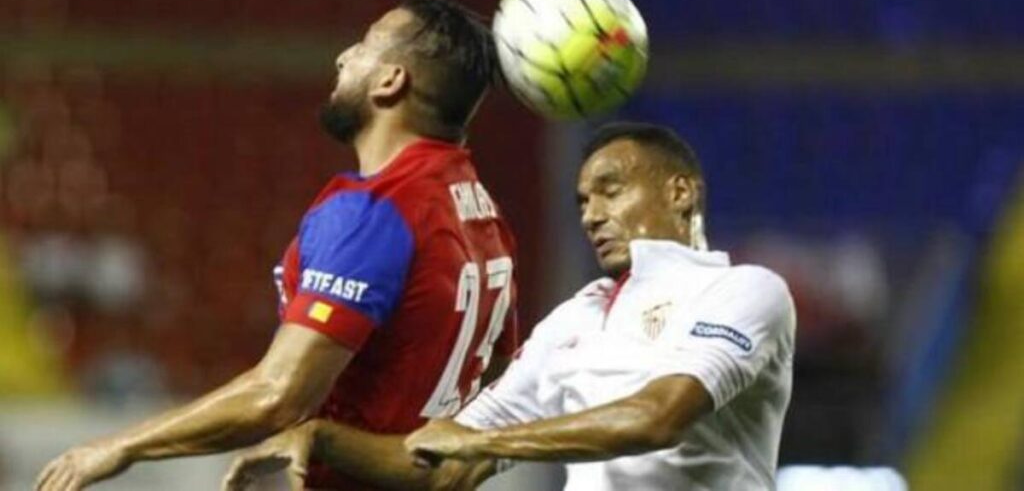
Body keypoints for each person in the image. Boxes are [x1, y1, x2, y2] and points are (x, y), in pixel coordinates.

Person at [35, 0, 519, 491]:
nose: (344, 57)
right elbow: (500, 379)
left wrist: (120, 445)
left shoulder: (376, 211)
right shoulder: (483, 217)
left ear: (390, 80)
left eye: (364, 45)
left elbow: (279, 393)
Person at [224, 122, 795, 491]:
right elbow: (445, 461)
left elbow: (657, 417)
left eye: (612, 189)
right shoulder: (575, 320)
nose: (591, 214)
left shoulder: (746, 290)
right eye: (582, 201)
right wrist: (326, 439)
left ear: (680, 191)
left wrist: (482, 442)